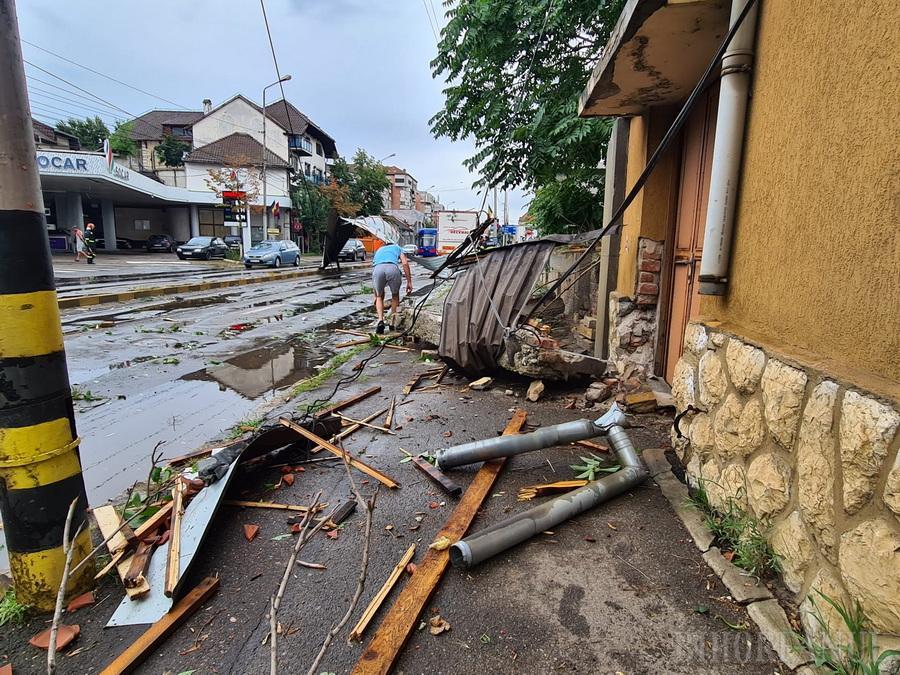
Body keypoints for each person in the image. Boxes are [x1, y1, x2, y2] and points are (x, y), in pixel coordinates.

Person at [371, 242, 412, 334]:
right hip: (392, 268)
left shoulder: (379, 250)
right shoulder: (397, 247)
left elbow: (374, 271)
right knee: (395, 295)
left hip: (378, 269)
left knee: (379, 297)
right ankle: (392, 322)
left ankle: (380, 320)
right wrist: (409, 282)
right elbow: (405, 263)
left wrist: (375, 294)